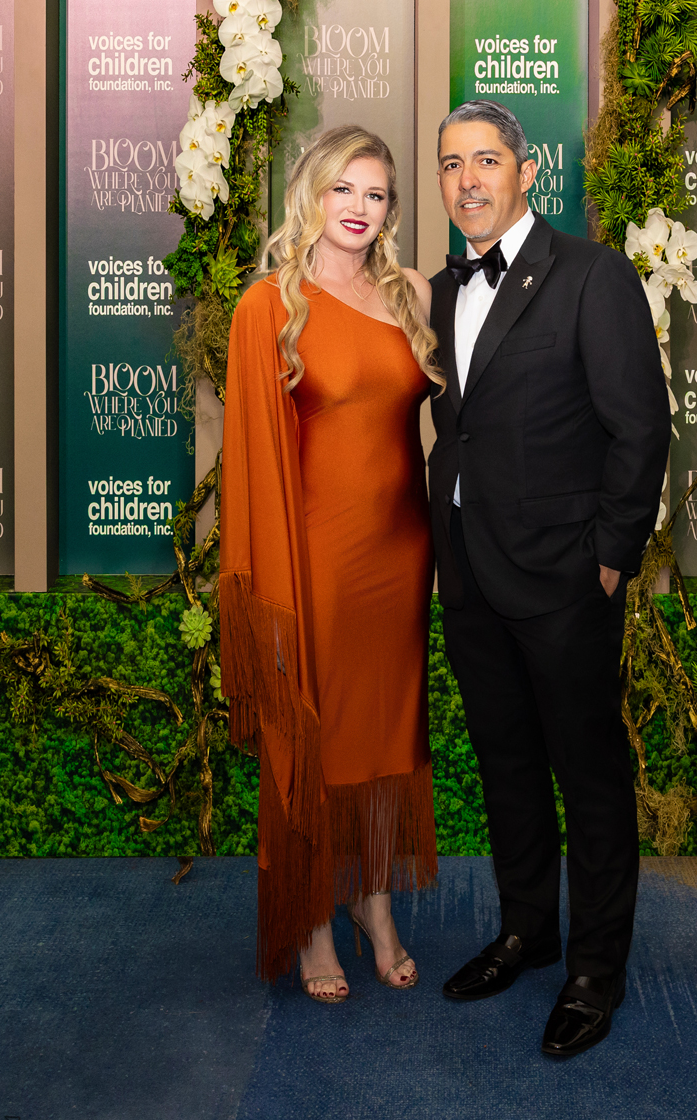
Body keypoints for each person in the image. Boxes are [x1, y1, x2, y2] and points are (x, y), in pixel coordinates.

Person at [427, 100, 670, 1056]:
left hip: (566, 580)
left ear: (528, 173)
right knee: (508, 766)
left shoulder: (591, 275)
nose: (469, 181)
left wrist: (608, 560)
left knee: (590, 777)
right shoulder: (440, 290)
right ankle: (528, 933)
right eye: (452, 164)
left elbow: (639, 427)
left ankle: (596, 970)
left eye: (487, 161)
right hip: (470, 574)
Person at [218, 125, 441, 1001]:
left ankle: (373, 904)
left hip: (402, 555)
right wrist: (275, 585)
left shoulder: (411, 293)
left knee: (387, 731)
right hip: (315, 559)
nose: (359, 207)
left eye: (376, 194)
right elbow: (253, 455)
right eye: (343, 188)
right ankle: (314, 916)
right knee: (316, 733)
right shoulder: (268, 306)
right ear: (311, 192)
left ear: (391, 209)